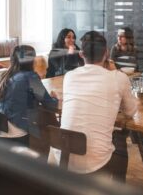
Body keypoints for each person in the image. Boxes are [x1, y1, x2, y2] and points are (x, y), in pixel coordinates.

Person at [49, 31, 137, 182]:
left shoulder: (70, 76)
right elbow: (131, 111)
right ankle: (118, 186)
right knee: (120, 140)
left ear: (82, 54)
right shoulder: (118, 77)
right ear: (106, 53)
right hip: (94, 162)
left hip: (62, 157)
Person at [0, 45, 59, 146]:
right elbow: (50, 105)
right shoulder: (31, 78)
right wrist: (55, 98)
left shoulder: (0, 76)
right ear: (32, 61)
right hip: (16, 132)